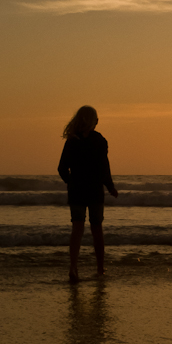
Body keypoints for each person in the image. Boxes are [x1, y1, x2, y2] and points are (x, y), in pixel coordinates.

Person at [58, 105, 118, 283]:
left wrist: (71, 182)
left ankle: (73, 268)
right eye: (96, 119)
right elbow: (104, 168)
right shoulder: (99, 141)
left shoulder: (72, 141)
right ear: (93, 121)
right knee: (96, 229)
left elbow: (61, 168)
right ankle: (100, 269)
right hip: (94, 190)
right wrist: (110, 187)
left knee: (77, 229)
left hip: (77, 191)